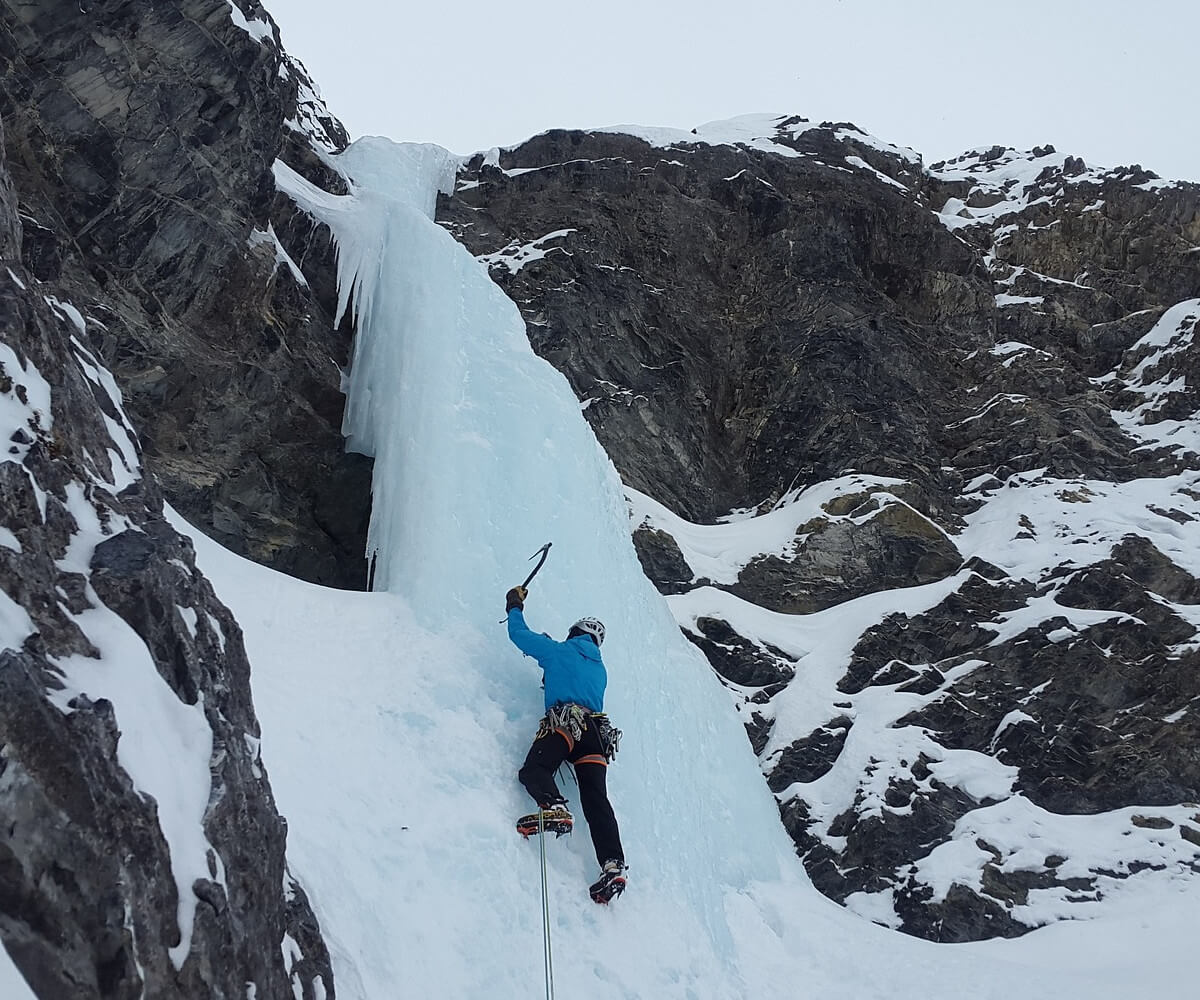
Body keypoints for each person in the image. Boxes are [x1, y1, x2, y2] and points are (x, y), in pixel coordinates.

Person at [505, 584, 627, 903]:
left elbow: (519, 636)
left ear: (574, 632)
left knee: (535, 770)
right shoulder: (600, 670)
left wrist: (514, 605)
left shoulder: (558, 650)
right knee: (596, 800)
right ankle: (613, 865)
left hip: (566, 723)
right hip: (596, 736)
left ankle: (554, 806)